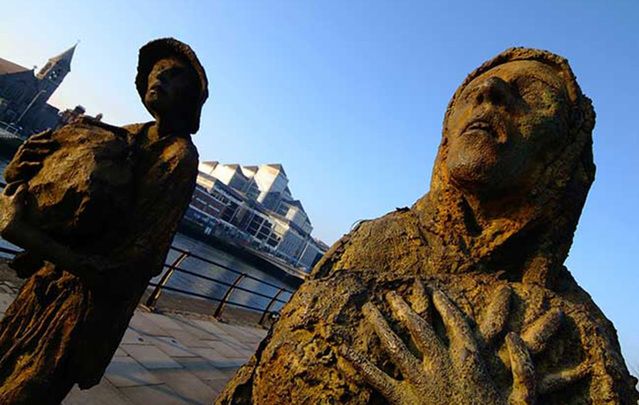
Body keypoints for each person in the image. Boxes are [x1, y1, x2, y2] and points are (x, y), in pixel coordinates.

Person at [216, 48, 638, 404]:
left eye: (532, 93)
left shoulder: (579, 338)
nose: (489, 92)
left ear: (564, 156)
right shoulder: (368, 239)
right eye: (472, 92)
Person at [0, 37, 208, 404]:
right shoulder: (124, 134)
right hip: (44, 288)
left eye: (173, 76)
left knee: (25, 391)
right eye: (154, 72)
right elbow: (59, 189)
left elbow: (133, 265)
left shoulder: (179, 158)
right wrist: (22, 169)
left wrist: (25, 234)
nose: (158, 77)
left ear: (191, 97)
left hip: (81, 313)